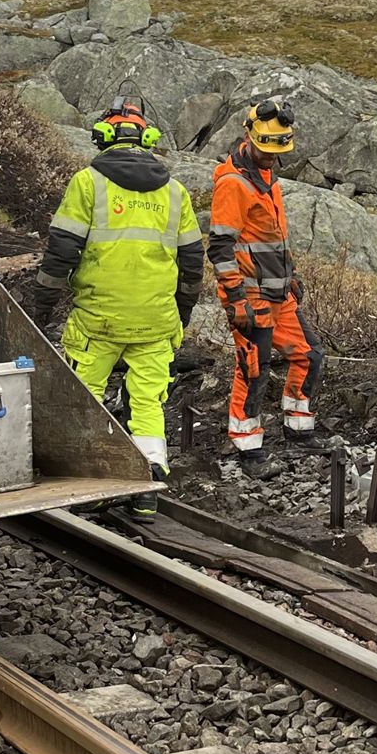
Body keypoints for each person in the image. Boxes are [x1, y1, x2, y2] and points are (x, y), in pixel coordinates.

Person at [28, 99, 203, 521]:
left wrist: (41, 305)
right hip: (155, 320)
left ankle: (92, 479)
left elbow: (61, 252)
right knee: (147, 400)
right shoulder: (175, 191)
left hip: (99, 318)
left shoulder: (88, 183)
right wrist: (181, 312)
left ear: (103, 137)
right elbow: (192, 261)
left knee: (84, 394)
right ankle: (149, 482)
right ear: (148, 140)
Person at [208, 99, 328, 475]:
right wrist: (234, 299)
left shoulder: (268, 179)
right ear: (250, 137)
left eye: (278, 150)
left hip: (279, 293)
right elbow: (221, 247)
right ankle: (248, 449)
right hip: (252, 297)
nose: (272, 156)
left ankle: (299, 429)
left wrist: (290, 274)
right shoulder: (233, 185)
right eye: (266, 148)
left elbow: (272, 239)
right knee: (253, 369)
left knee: (309, 355)